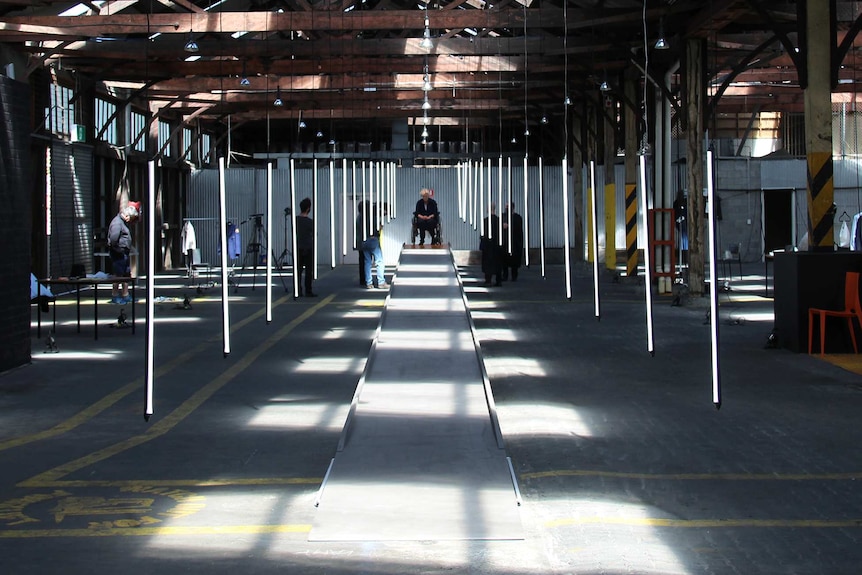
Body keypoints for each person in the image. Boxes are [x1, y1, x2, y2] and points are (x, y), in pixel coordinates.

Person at [107, 201, 140, 304]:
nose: (130, 220)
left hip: (123, 253)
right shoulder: (117, 223)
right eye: (130, 218)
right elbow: (113, 240)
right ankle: (115, 295)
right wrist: (119, 250)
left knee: (126, 274)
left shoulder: (122, 223)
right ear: (126, 215)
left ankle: (125, 294)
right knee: (118, 275)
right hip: (118, 254)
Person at [361, 204, 387, 290]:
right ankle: (381, 282)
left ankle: (369, 283)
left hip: (364, 241)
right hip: (373, 240)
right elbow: (378, 227)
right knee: (379, 261)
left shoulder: (359, 218)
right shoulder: (373, 217)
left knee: (367, 262)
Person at [296, 197, 316, 297]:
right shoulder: (310, 222)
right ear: (308, 208)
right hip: (308, 247)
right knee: (309, 270)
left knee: (298, 270)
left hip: (298, 247)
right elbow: (314, 233)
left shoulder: (296, 221)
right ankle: (308, 290)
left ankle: (298, 290)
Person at [480, 203, 503, 287]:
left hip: (488, 246)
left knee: (487, 263)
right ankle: (498, 280)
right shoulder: (499, 221)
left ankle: (488, 280)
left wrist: (482, 245)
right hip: (497, 246)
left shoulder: (485, 221)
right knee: (498, 263)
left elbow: (483, 235)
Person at [501, 202, 524, 281]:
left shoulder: (517, 218)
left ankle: (514, 276)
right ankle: (505, 275)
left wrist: (509, 226)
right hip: (505, 242)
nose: (506, 208)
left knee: (514, 261)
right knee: (504, 261)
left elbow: (518, 229)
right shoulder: (503, 217)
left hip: (514, 243)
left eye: (508, 207)